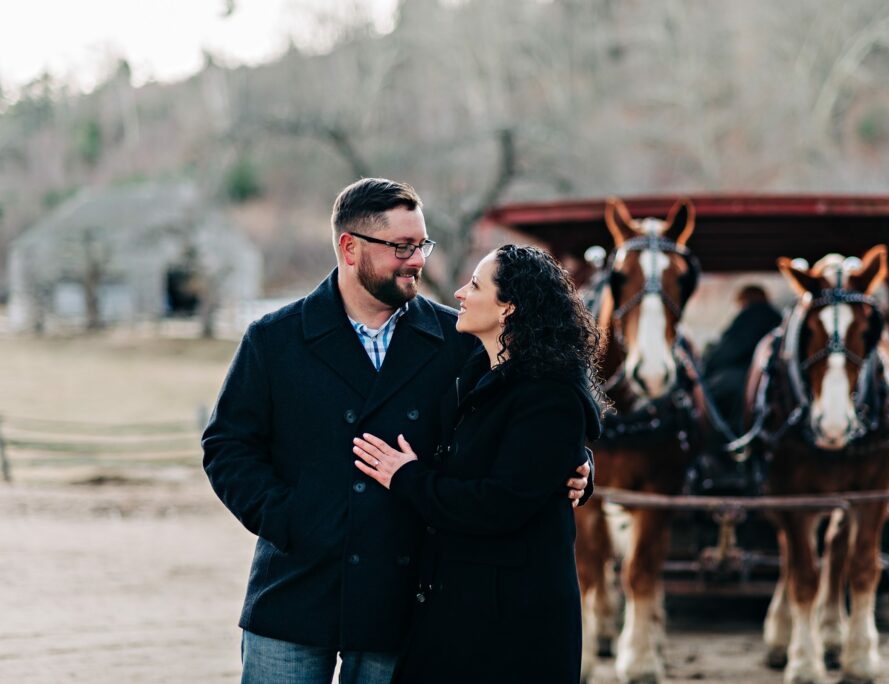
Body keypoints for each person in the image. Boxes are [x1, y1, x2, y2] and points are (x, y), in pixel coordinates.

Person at [202, 179, 591, 684]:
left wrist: (576, 462)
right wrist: (291, 519)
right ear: (350, 248)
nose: (417, 261)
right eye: (402, 247)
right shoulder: (273, 340)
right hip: (296, 589)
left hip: (404, 597)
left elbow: (522, 419)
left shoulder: (458, 341)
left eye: (421, 245)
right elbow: (227, 448)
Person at [352, 245, 605, 684]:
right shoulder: (476, 370)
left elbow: (500, 503)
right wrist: (574, 461)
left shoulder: (550, 393)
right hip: (460, 608)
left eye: (474, 285)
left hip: (513, 627)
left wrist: (406, 477)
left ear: (508, 307)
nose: (460, 293)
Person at [702, 284, 782, 434]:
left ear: (744, 301)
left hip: (743, 376)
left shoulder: (753, 315)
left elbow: (729, 350)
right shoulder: (774, 317)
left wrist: (708, 360)